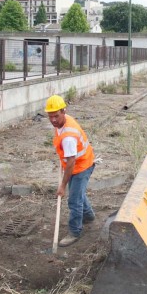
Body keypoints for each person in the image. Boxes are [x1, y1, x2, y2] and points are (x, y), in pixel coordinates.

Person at [45, 94, 96, 246]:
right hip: (78, 162)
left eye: (56, 116)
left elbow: (71, 162)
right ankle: (89, 216)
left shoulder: (68, 136)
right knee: (78, 193)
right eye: (50, 116)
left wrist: (62, 186)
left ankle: (75, 231)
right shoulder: (62, 122)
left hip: (81, 166)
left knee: (74, 200)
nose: (53, 120)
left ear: (63, 111)